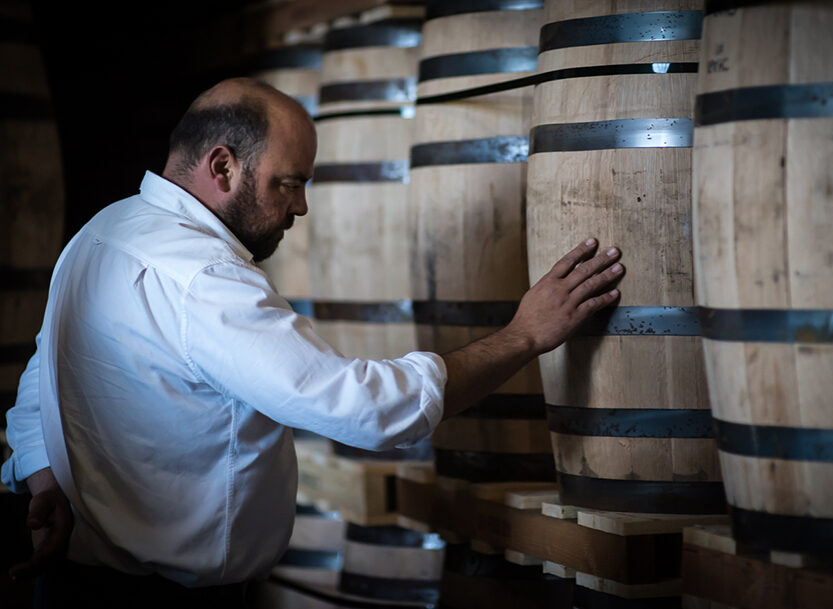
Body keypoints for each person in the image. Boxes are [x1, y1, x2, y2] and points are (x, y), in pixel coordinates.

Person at [1, 78, 624, 607]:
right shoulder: (206, 280)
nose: (301, 207)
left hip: (75, 579)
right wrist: (524, 336)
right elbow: (362, 408)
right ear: (223, 166)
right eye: (289, 183)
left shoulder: (101, 231)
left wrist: (44, 479)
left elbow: (43, 374)